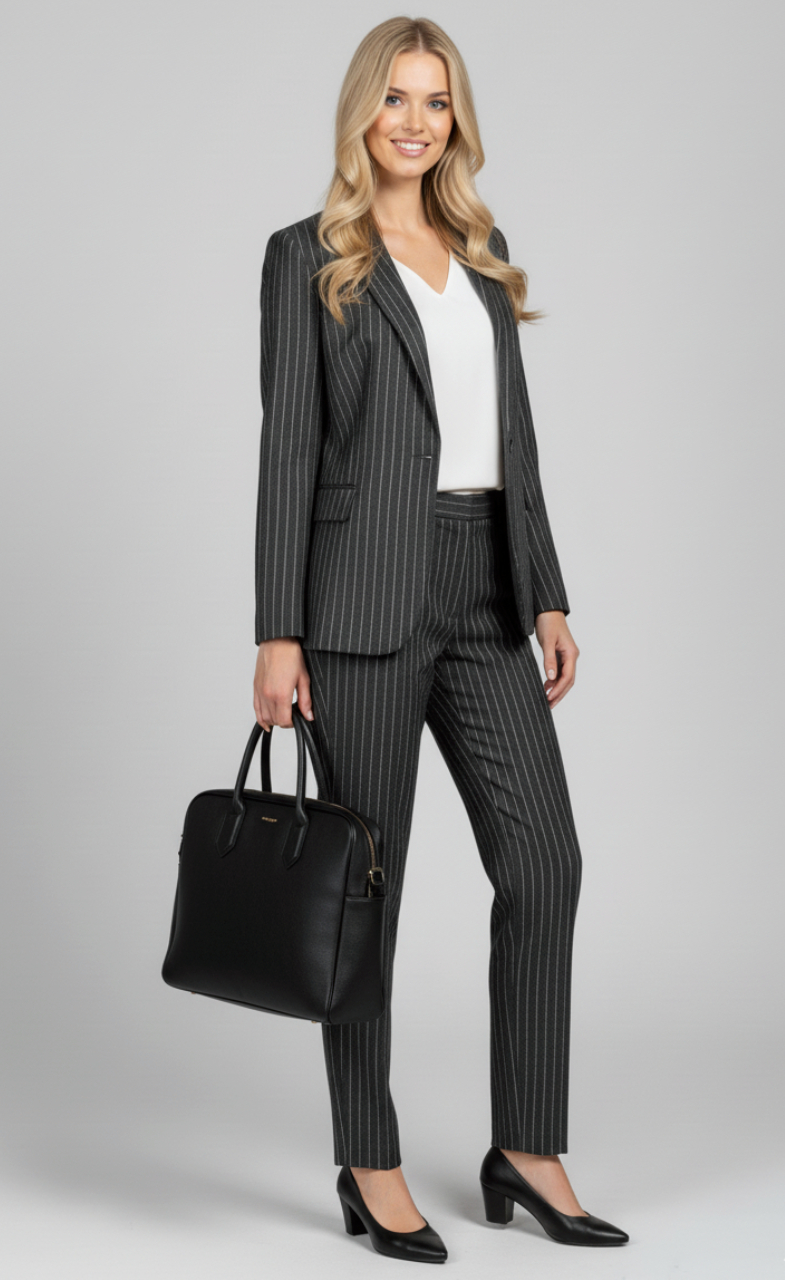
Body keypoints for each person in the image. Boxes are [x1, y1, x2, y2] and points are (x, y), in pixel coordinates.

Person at [251, 15, 628, 1264]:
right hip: (358, 599)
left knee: (543, 861)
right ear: (362, 111)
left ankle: (525, 1145)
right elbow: (288, 451)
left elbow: (513, 439)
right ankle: (369, 1158)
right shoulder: (306, 256)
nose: (415, 121)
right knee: (364, 894)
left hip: (482, 587)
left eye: (436, 100)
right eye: (396, 98)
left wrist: (546, 593)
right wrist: (277, 630)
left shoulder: (481, 248)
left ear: (454, 118)